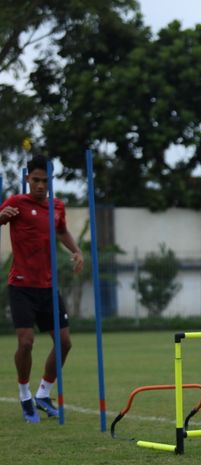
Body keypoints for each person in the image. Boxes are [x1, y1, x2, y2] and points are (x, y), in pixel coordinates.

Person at [0, 155, 84, 423]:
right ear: (28, 179)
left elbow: (61, 232)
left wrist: (77, 251)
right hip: (21, 286)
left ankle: (43, 394)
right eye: (35, 180)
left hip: (48, 287)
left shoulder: (57, 206)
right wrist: (1, 217)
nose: (40, 185)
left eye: (45, 181)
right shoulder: (15, 203)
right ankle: (24, 395)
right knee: (26, 343)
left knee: (65, 343)